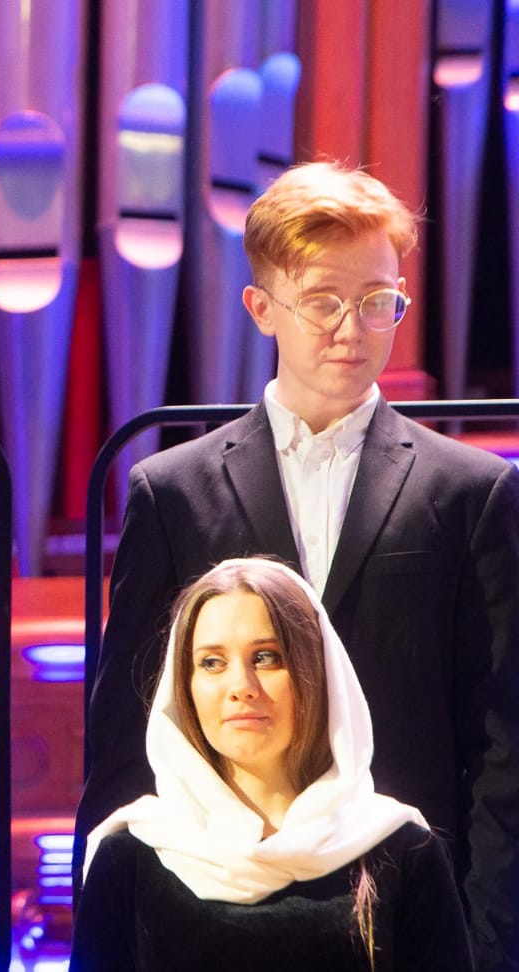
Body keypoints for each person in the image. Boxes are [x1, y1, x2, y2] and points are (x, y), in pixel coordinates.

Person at [78, 161, 519, 968]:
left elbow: (502, 744)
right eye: (322, 301)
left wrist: (489, 945)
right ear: (261, 307)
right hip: (206, 907)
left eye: (377, 301)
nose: (352, 329)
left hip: (404, 905)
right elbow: (124, 738)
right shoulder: (172, 493)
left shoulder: (471, 492)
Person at [73, 558, 472, 970]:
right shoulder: (130, 858)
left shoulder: (399, 851)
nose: (241, 686)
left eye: (266, 657)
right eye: (212, 662)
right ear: (184, 686)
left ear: (314, 671)